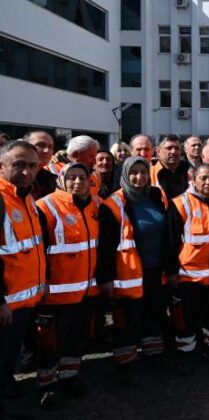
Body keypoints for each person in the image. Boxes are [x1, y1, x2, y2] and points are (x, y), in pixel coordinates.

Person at [97, 156, 170, 383]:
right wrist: (106, 278)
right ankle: (125, 362)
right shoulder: (113, 204)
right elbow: (106, 246)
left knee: (153, 313)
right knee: (127, 319)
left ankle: (153, 353)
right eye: (134, 173)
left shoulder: (156, 196)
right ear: (125, 175)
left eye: (144, 172)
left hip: (155, 269)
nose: (139, 177)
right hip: (127, 274)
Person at [35, 163, 101, 408]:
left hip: (86, 291)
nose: (77, 182)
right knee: (51, 342)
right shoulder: (45, 206)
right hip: (55, 293)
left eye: (82, 177)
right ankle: (47, 385)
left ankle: (70, 377)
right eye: (71, 177)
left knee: (77, 338)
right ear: (61, 180)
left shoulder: (97, 205)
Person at [167, 164, 209, 373]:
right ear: (194, 180)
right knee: (185, 318)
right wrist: (171, 272)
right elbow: (170, 241)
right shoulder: (180, 203)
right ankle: (186, 354)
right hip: (188, 275)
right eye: (203, 178)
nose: (208, 182)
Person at [0, 141, 46, 418]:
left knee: (9, 355)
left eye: (32, 165)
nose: (27, 171)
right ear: (2, 166)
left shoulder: (26, 197)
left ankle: (6, 386)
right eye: (19, 165)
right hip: (6, 301)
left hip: (25, 298)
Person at [150, 135, 191, 200]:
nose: (173, 152)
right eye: (169, 148)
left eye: (177, 148)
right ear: (158, 151)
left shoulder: (189, 172)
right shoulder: (150, 174)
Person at [24, 130, 58, 199]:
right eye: (41, 145)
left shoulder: (51, 180)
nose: (47, 151)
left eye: (50, 147)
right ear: (24, 147)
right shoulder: (13, 177)